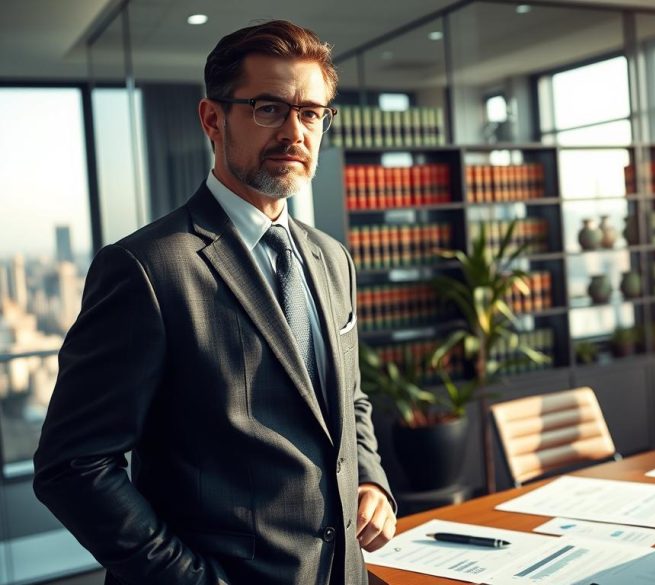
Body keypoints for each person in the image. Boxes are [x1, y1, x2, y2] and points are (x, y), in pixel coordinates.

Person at [33, 20, 395, 585]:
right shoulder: (146, 268)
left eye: (310, 113)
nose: (295, 132)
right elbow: (73, 466)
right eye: (269, 108)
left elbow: (348, 400)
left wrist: (369, 478)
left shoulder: (332, 259)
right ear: (212, 119)